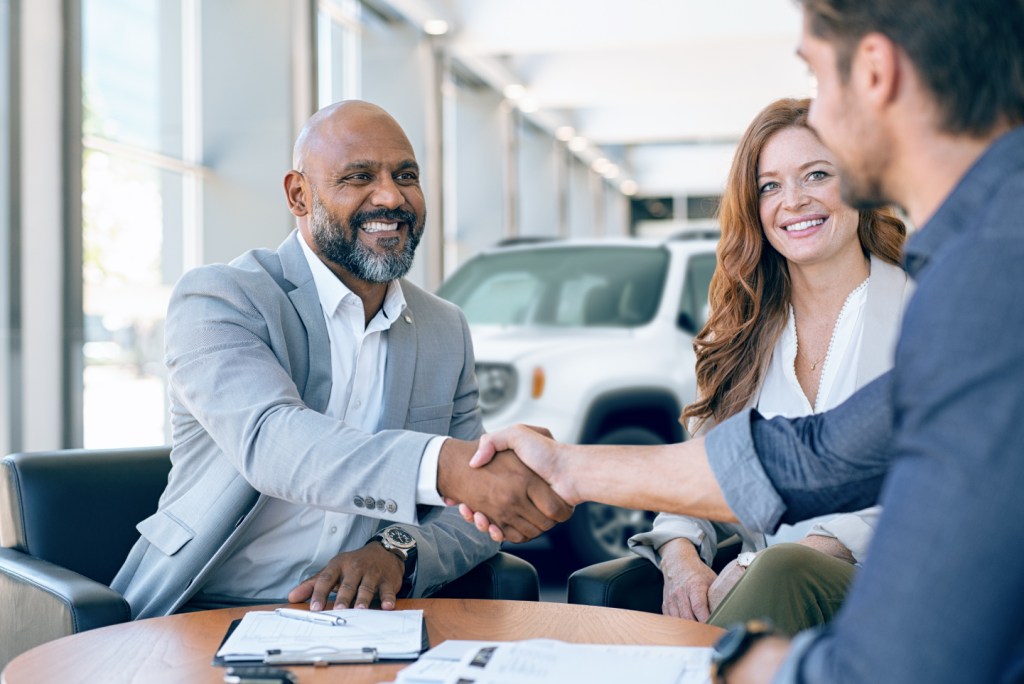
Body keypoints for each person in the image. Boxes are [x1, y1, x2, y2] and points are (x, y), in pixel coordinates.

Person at [461, 0, 1024, 681]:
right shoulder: (968, 262)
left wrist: (736, 659)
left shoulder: (980, 279)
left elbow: (901, 650)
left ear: (874, 71)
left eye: (817, 75)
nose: (799, 193)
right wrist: (568, 468)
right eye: (772, 185)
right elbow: (812, 460)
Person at [111, 100, 571, 620]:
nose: (391, 197)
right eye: (358, 177)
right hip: (201, 606)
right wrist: (441, 466)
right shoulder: (221, 299)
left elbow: (470, 510)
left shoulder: (444, 328)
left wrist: (396, 550)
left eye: (406, 176)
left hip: (361, 616)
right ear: (299, 195)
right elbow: (272, 440)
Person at [628, 97, 911, 635]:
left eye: (817, 175)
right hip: (759, 601)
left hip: (890, 589)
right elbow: (702, 468)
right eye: (770, 186)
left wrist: (762, 563)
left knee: (784, 567)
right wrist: (681, 556)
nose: (794, 201)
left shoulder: (920, 310)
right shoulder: (742, 330)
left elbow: (928, 483)